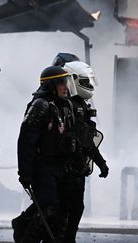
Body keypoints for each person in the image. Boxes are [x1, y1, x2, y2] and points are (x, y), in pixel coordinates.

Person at [15, 66, 77, 242]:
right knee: (48, 209)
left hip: (62, 167)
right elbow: (26, 141)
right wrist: (25, 173)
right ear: (51, 85)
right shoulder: (39, 106)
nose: (66, 86)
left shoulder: (66, 105)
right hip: (44, 167)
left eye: (67, 82)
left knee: (63, 212)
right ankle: (25, 235)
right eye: (61, 83)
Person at [60, 60, 109, 242]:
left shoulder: (80, 105)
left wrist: (100, 162)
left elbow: (87, 140)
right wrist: (100, 162)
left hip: (77, 169)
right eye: (85, 81)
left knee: (74, 209)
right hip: (67, 170)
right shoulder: (68, 106)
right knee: (65, 210)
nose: (88, 86)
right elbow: (85, 140)